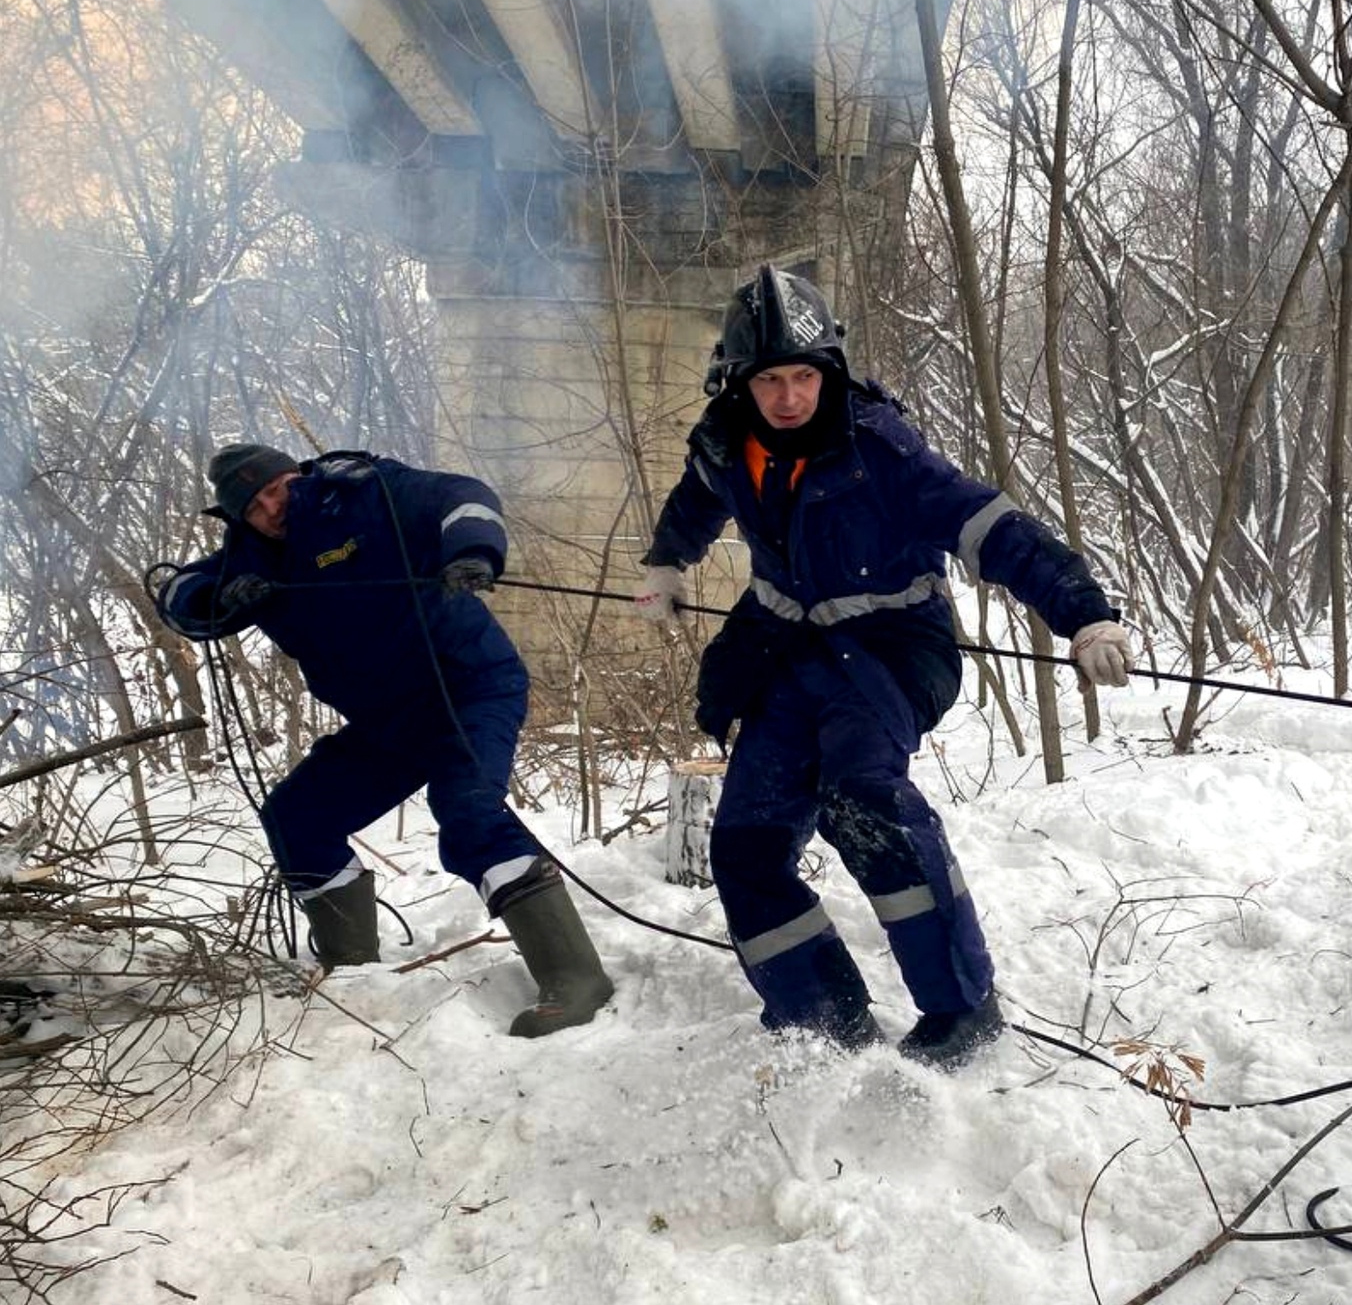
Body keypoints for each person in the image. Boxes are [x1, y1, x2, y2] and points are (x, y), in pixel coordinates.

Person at [634, 264, 1132, 1069]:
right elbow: (694, 500)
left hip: (893, 649)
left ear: (828, 370)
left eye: (804, 376)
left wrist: (1084, 614)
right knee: (745, 843)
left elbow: (991, 527)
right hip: (784, 649)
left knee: (862, 795)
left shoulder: (878, 449)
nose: (790, 397)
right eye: (771, 380)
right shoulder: (727, 446)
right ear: (740, 384)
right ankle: (823, 1016)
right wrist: (667, 564)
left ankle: (961, 1006)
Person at [154, 443, 614, 1037]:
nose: (275, 505)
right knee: (299, 818)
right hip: (388, 722)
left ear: (295, 476)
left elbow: (462, 497)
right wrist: (213, 600)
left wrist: (473, 553)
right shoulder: (249, 560)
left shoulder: (364, 494)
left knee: (468, 812)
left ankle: (575, 976)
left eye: (278, 487)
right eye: (257, 503)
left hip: (468, 689)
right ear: (241, 517)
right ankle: (351, 969)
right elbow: (175, 594)